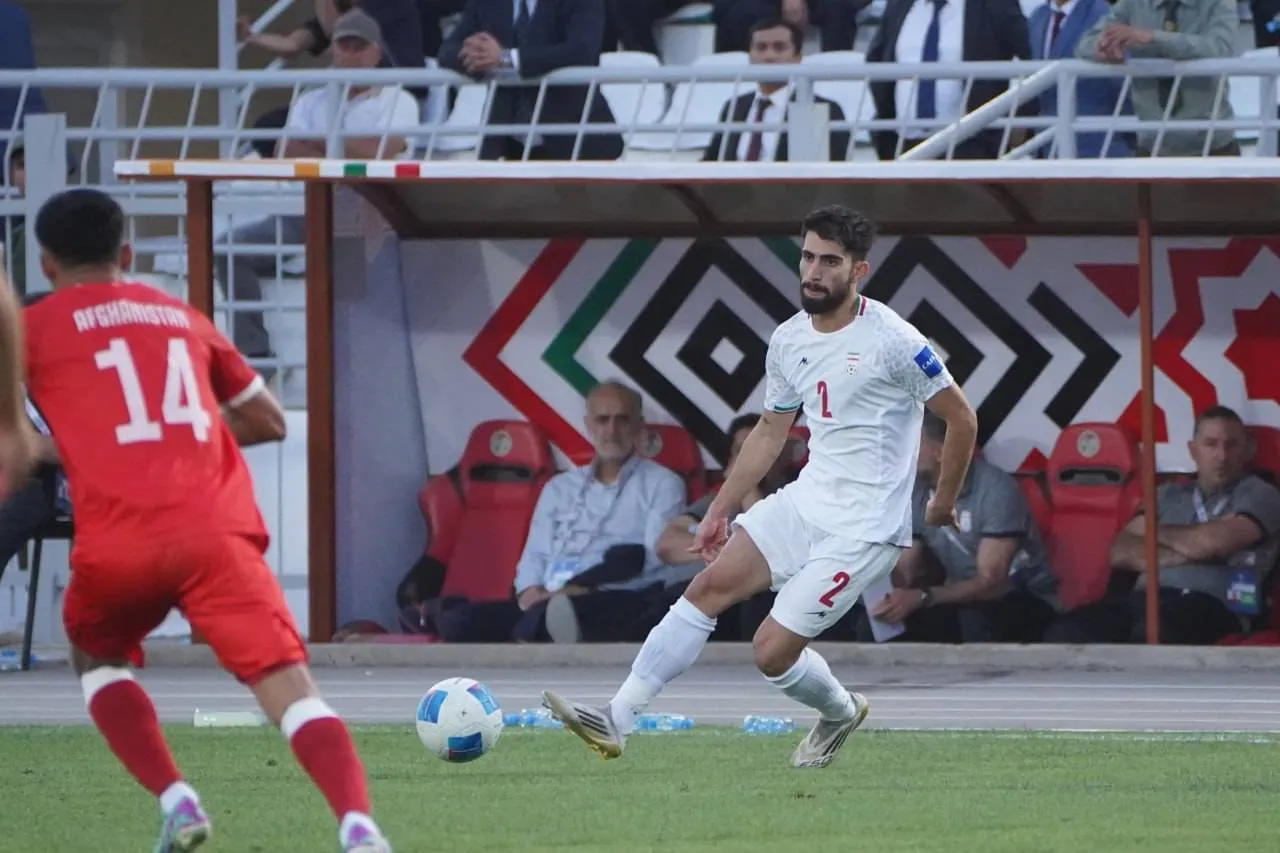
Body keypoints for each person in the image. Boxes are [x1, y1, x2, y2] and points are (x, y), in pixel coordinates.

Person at [0, 189, 392, 853]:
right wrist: (180, 437)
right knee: (291, 691)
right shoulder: (182, 318)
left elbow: (15, 451)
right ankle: (359, 827)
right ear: (127, 254)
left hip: (119, 539)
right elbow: (268, 420)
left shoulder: (35, 327)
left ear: (45, 264)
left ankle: (177, 799)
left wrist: (81, 446)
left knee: (94, 654)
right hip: (216, 534)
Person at [542, 204, 978, 768]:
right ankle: (617, 718)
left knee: (770, 653)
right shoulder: (789, 339)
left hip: (864, 529)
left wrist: (941, 503)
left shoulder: (893, 340)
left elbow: (961, 417)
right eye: (808, 257)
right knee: (706, 588)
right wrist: (719, 508)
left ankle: (841, 710)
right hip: (805, 504)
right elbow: (771, 431)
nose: (813, 272)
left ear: (858, 271)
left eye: (829, 262)